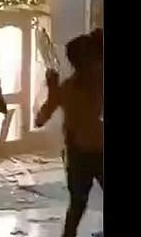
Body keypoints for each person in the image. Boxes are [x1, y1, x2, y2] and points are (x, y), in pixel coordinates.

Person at [34, 34, 103, 237]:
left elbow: (40, 119)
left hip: (87, 152)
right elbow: (40, 120)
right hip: (80, 154)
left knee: (77, 204)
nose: (97, 64)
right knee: (78, 204)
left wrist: (53, 92)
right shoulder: (71, 88)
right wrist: (52, 92)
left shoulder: (78, 86)